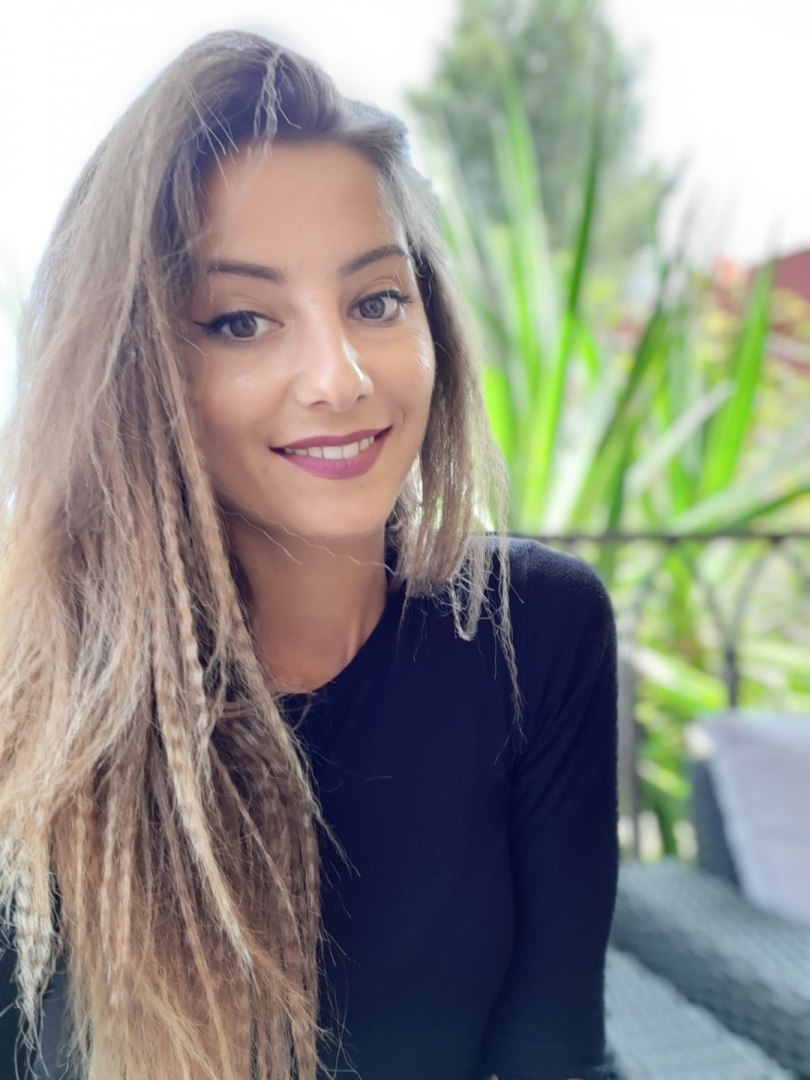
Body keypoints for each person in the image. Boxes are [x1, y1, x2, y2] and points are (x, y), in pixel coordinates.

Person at [0, 29, 618, 1080]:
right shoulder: (35, 704)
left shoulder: (537, 633)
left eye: (376, 301)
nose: (339, 377)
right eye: (241, 321)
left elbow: (557, 1055)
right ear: (135, 368)